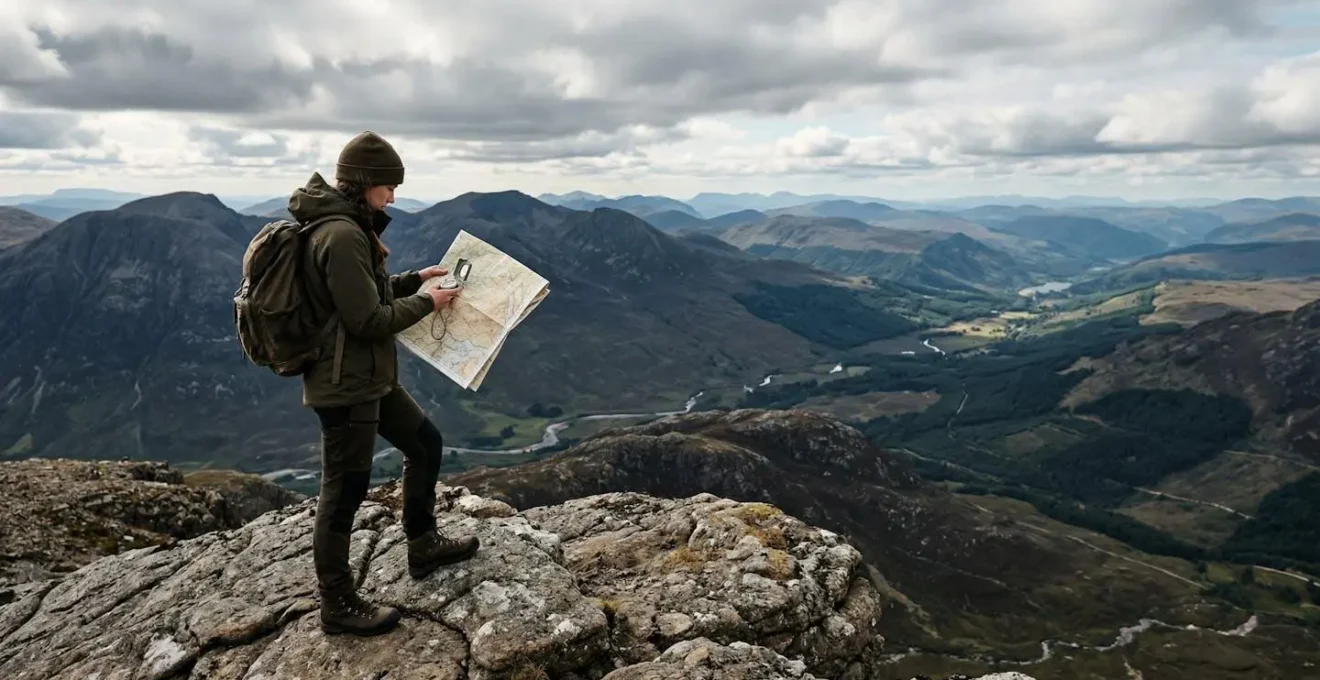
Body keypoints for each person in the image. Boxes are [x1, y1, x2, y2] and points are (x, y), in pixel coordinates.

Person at [285, 130, 480, 637]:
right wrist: (429, 303)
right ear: (365, 183)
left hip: (368, 378)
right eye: (388, 187)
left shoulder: (345, 227)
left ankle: (423, 543)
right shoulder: (343, 235)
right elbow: (367, 320)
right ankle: (338, 602)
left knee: (426, 443)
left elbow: (360, 295)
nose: (393, 197)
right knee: (343, 491)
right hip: (345, 384)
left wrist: (416, 279)